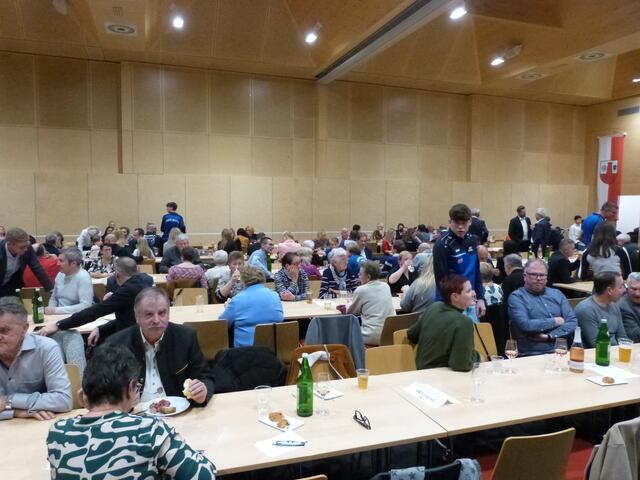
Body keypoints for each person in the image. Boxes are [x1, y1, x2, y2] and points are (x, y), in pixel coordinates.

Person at [47, 343, 216, 479]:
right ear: (130, 388)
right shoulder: (149, 430)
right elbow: (204, 475)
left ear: (84, 395)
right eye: (137, 387)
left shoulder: (58, 432)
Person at [107, 288, 214, 405]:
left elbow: (205, 377)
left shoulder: (186, 337)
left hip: (178, 410)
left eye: (162, 313)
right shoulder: (117, 344)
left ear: (168, 314)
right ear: (137, 316)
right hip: (134, 412)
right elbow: (105, 388)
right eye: (149, 314)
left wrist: (203, 392)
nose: (156, 320)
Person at [37, 257, 154, 346]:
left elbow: (95, 311)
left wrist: (58, 325)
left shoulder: (127, 290)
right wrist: (100, 328)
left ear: (117, 273)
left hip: (135, 341)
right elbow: (127, 319)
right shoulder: (145, 282)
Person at [0, 297, 72, 420]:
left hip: (39, 424)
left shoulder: (46, 348)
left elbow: (63, 400)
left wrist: (9, 400)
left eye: (4, 330)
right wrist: (14, 412)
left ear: (24, 329)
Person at [407, 274, 479, 371]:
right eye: (469, 291)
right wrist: (477, 356)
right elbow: (461, 365)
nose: (474, 293)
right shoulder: (464, 322)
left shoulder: (434, 306)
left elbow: (412, 335)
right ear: (455, 297)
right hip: (442, 375)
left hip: (419, 372)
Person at [508, 259, 577, 356]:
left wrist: (549, 336)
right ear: (525, 276)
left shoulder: (557, 294)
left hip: (562, 351)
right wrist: (555, 321)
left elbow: (572, 322)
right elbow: (526, 325)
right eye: (534, 274)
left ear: (547, 277)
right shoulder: (517, 297)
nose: (538, 278)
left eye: (542, 275)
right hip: (532, 354)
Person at [433, 203, 485, 321]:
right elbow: (441, 280)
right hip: (450, 305)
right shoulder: (442, 245)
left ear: (470, 221)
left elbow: (476, 272)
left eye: (464, 223)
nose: (460, 227)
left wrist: (481, 298)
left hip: (470, 300)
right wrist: (451, 305)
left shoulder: (472, 240)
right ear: (450, 222)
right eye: (457, 223)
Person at [219, 266, 283, 347]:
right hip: (274, 348)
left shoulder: (237, 299)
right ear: (263, 279)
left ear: (243, 281)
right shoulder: (275, 296)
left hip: (245, 351)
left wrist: (229, 308)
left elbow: (222, 324)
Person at [348, 261, 395, 345]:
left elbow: (351, 312)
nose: (358, 276)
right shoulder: (386, 286)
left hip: (371, 336)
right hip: (390, 335)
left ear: (368, 277)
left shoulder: (361, 290)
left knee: (346, 330)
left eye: (360, 274)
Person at [575, 272, 626, 348]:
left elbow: (622, 338)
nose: (624, 290)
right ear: (609, 290)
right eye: (621, 287)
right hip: (596, 353)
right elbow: (596, 344)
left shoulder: (615, 306)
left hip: (615, 350)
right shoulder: (585, 309)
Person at [0, 228, 54, 296]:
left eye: (26, 245)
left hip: (11, 287)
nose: (25, 249)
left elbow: (37, 268)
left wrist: (51, 290)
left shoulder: (28, 248)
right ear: (9, 244)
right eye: (22, 247)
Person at [45, 248, 93, 315]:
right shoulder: (60, 274)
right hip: (58, 315)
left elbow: (86, 305)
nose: (58, 264)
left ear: (73, 263)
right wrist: (51, 310)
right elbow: (54, 298)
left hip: (75, 316)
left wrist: (56, 310)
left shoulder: (83, 277)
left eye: (61, 261)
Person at [619, 272, 640, 343]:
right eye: (634, 289)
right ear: (627, 289)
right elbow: (634, 335)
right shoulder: (623, 306)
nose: (637, 294)